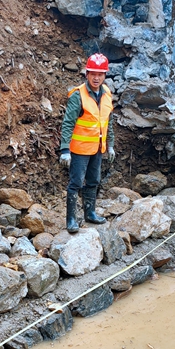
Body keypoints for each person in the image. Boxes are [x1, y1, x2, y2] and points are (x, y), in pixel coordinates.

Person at [59, 53, 116, 233]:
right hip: (80, 149)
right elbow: (68, 123)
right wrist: (65, 150)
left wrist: (111, 145)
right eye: (93, 74)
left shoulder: (106, 94)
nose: (96, 78)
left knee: (93, 180)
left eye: (100, 74)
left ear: (104, 75)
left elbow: (108, 122)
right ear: (87, 74)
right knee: (76, 182)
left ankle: (90, 213)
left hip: (97, 148)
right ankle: (71, 220)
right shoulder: (78, 96)